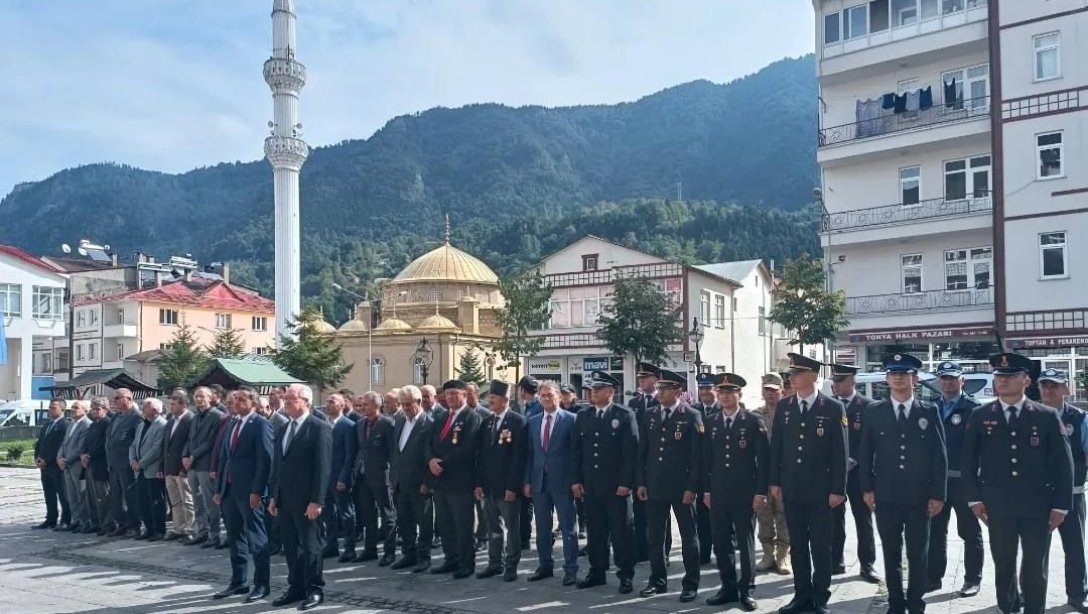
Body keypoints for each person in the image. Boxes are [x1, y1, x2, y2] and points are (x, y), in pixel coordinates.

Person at [963, 352, 1073, 614]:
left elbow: (1063, 463)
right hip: (997, 506)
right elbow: (967, 461)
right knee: (1003, 565)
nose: (1003, 381)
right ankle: (1008, 607)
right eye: (999, 376)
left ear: (1026, 380)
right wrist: (974, 499)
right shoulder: (980, 414)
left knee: (1035, 567)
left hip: (1038, 506)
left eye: (1010, 376)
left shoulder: (1046, 416)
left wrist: (1061, 505)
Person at [859, 353, 947, 614]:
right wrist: (867, 489)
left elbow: (939, 456)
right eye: (893, 373)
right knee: (891, 552)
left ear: (915, 379)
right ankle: (896, 603)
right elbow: (865, 453)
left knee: (918, 554)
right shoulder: (875, 411)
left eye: (904, 373)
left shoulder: (928, 411)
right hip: (885, 496)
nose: (898, 378)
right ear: (886, 379)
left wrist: (938, 494)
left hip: (919, 496)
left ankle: (916, 603)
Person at [768, 353, 847, 614]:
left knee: (821, 547)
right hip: (792, 489)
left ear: (813, 376)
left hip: (821, 492)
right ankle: (801, 595)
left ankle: (820, 598)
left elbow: (840, 453)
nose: (792, 378)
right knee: (798, 546)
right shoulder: (785, 406)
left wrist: (838, 490)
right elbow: (776, 447)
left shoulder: (833, 408)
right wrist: (775, 482)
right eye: (791, 374)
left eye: (797, 373)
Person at [704, 373, 770, 611]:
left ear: (739, 395)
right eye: (721, 392)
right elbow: (706, 461)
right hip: (718, 492)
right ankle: (728, 587)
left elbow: (764, 461)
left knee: (746, 541)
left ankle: (747, 590)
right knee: (721, 543)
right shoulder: (711, 422)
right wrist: (706, 490)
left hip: (745, 493)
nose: (724, 396)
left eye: (729, 392)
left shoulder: (752, 422)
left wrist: (760, 492)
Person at [637, 369, 704, 602]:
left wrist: (692, 487)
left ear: (677, 391)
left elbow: (697, 458)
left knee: (688, 536)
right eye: (660, 388)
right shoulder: (650, 414)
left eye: (665, 389)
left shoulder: (691, 416)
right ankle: (657, 580)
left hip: (681, 486)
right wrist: (642, 482)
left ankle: (691, 583)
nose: (660, 393)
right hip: (655, 484)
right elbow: (643, 452)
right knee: (655, 536)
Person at [572, 370, 639, 594]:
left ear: (611, 391)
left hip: (616, 488)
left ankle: (625, 575)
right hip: (592, 486)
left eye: (598, 389)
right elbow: (577, 451)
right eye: (592, 390)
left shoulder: (624, 415)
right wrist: (576, 480)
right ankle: (597, 571)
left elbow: (631, 454)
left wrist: (626, 483)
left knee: (622, 534)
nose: (593, 393)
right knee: (596, 533)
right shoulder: (584, 416)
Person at [269, 383, 333, 611]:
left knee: (311, 546)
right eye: (285, 399)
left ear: (305, 401)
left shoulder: (319, 427)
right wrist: (274, 497)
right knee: (290, 545)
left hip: (307, 501)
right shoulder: (283, 428)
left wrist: (317, 500)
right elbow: (278, 466)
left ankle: (315, 589)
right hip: (285, 500)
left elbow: (323, 468)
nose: (286, 403)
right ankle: (296, 586)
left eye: (291, 399)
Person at [212, 388, 274, 604]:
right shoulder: (232, 423)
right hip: (229, 490)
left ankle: (262, 584)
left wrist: (257, 491)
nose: (235, 402)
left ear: (253, 403)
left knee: (256, 538)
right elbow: (224, 458)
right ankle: (239, 581)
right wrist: (219, 489)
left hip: (249, 491)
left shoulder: (260, 423)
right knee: (235, 537)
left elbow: (265, 461)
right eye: (234, 399)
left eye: (241, 399)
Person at [927, 361, 983, 597]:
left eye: (952, 378)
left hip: (965, 482)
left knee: (970, 532)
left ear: (962, 381)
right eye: (944, 378)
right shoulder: (931, 408)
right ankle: (933, 578)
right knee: (936, 532)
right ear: (939, 381)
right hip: (938, 482)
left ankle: (972, 579)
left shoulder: (974, 409)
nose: (948, 382)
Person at [1040, 368, 1088, 612]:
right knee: (1035, 549)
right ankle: (1031, 593)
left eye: (1055, 385)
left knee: (1075, 548)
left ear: (1066, 389)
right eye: (1045, 385)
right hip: (1039, 498)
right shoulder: (1029, 416)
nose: (1049, 390)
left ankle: (1078, 595)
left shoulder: (1080, 419)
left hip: (1072, 495)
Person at [828, 363, 880, 583]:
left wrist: (853, 459)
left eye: (840, 381)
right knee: (834, 518)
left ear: (852, 381)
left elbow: (871, 441)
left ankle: (867, 565)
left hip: (859, 473)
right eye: (834, 381)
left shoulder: (868, 407)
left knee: (863, 519)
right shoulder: (829, 406)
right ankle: (835, 562)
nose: (836, 385)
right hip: (834, 474)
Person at [524, 380, 579, 585]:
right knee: (542, 528)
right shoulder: (533, 421)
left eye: (550, 395)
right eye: (543, 395)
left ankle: (571, 569)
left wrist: (576, 481)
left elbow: (576, 454)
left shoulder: (572, 419)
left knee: (567, 528)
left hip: (563, 482)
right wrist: (527, 481)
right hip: (539, 482)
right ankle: (545, 565)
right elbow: (530, 454)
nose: (546, 398)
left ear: (559, 396)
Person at [426, 379, 482, 579]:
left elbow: (467, 448)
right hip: (440, 481)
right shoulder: (441, 417)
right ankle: (451, 559)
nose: (449, 398)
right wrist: (431, 459)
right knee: (445, 524)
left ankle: (466, 563)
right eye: (447, 394)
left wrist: (442, 463)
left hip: (460, 480)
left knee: (462, 525)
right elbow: (430, 442)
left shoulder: (471, 417)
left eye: (454, 394)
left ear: (464, 395)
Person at [475, 379, 528, 581]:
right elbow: (480, 456)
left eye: (494, 397)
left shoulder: (517, 422)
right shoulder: (487, 422)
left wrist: (513, 486)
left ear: (505, 399)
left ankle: (511, 565)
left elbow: (518, 458)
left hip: (507, 487)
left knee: (511, 528)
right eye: (489, 397)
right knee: (492, 527)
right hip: (489, 485)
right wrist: (479, 483)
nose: (490, 400)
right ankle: (494, 563)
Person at [389, 385, 435, 573]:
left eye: (409, 404)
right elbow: (396, 452)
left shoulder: (429, 424)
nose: (406, 407)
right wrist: (393, 478)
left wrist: (428, 482)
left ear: (419, 402)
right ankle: (408, 554)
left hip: (420, 483)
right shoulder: (399, 421)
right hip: (400, 482)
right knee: (404, 521)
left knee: (423, 522)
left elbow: (431, 454)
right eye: (402, 404)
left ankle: (424, 557)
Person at [752, 373, 790, 575]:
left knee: (784, 516)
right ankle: (767, 555)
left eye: (774, 390)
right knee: (764, 516)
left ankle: (783, 556)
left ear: (782, 391)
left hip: (785, 475)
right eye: (767, 390)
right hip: (763, 474)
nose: (770, 394)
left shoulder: (790, 413)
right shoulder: (755, 415)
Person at [353, 391, 397, 565]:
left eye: (366, 405)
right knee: (367, 514)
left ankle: (389, 551)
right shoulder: (360, 424)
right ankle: (370, 549)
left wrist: (392, 476)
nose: (362, 408)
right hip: (363, 475)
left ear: (376, 406)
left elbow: (393, 452)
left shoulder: (387, 424)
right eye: (362, 405)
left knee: (387, 514)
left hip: (382, 475)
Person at [182, 386, 226, 547]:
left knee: (210, 502)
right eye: (196, 396)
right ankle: (202, 531)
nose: (199, 399)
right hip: (192, 466)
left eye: (202, 396)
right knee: (197, 501)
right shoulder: (194, 417)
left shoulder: (218, 416)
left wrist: (193, 456)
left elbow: (210, 441)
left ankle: (215, 534)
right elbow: (189, 439)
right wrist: (185, 456)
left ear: (210, 397)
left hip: (206, 465)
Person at [628, 363, 660, 564]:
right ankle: (641, 551)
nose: (641, 380)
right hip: (638, 463)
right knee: (639, 511)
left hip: (658, 463)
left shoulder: (663, 400)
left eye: (646, 377)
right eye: (640, 377)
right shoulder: (634, 403)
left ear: (656, 378)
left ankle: (659, 551)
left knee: (658, 512)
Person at [320, 394, 357, 562]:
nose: (328, 404)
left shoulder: (348, 426)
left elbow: (350, 456)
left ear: (342, 405)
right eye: (327, 401)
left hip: (339, 477)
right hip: (324, 478)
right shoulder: (323, 425)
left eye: (332, 401)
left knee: (346, 513)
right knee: (328, 513)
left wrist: (344, 478)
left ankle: (350, 547)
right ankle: (331, 544)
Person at [130, 398, 167, 540]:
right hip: (139, 471)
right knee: (143, 501)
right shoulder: (142, 425)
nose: (142, 409)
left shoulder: (162, 425)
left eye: (146, 407)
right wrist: (132, 460)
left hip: (152, 469)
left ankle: (159, 530)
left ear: (155, 409)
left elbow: (156, 448)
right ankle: (149, 528)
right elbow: (133, 445)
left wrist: (142, 463)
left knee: (156, 501)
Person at [106, 389, 142, 537]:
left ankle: (134, 526)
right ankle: (121, 524)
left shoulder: (136, 417)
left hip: (127, 464)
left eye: (117, 398)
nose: (114, 401)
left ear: (128, 398)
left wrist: (134, 460)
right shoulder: (116, 417)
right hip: (113, 463)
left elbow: (137, 442)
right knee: (116, 496)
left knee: (130, 496)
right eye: (113, 398)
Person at [34, 399, 72, 531]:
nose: (50, 410)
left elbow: (60, 446)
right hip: (45, 467)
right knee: (48, 494)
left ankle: (66, 520)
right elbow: (40, 444)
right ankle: (51, 519)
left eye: (53, 407)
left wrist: (48, 460)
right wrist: (37, 458)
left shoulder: (65, 425)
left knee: (63, 494)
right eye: (49, 407)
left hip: (57, 466)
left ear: (62, 409)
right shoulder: (47, 425)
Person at [162, 390, 194, 541]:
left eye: (174, 404)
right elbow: (165, 446)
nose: (171, 407)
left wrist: (184, 466)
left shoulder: (190, 420)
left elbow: (190, 443)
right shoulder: (170, 421)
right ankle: (178, 528)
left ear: (183, 404)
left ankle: (190, 528)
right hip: (169, 468)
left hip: (183, 469)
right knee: (175, 501)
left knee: (187, 500)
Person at [56, 400, 91, 532]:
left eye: (76, 407)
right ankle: (75, 520)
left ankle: (84, 521)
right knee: (71, 495)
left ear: (85, 410)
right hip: (66, 464)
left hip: (76, 465)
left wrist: (67, 460)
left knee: (81, 494)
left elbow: (81, 446)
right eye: (72, 408)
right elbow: (64, 443)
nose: (73, 410)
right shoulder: (71, 424)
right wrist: (59, 457)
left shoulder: (87, 425)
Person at [559, 383, 588, 539]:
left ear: (573, 395)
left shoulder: (579, 411)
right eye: (562, 394)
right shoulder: (558, 411)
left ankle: (583, 525)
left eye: (567, 394)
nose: (564, 397)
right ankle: (562, 524)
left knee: (579, 496)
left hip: (575, 455)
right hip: (562, 457)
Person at [81, 397, 113, 535]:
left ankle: (107, 524)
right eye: (93, 409)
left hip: (100, 464)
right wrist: (83, 454)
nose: (95, 411)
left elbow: (103, 444)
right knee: (91, 497)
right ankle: (96, 523)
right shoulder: (93, 425)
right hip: (89, 464)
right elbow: (87, 441)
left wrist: (90, 455)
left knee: (103, 497)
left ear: (105, 409)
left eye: (98, 409)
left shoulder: (108, 424)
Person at [517, 376, 542, 548]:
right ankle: (524, 536)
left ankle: (526, 537)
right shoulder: (527, 407)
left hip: (536, 461)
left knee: (530, 502)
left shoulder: (537, 407)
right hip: (527, 459)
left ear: (523, 390)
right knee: (527, 502)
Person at [467, 382, 492, 553]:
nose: (467, 397)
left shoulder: (485, 414)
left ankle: (482, 536)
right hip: (465, 468)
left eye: (469, 394)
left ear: (476, 394)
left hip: (480, 466)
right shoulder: (461, 414)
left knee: (482, 506)